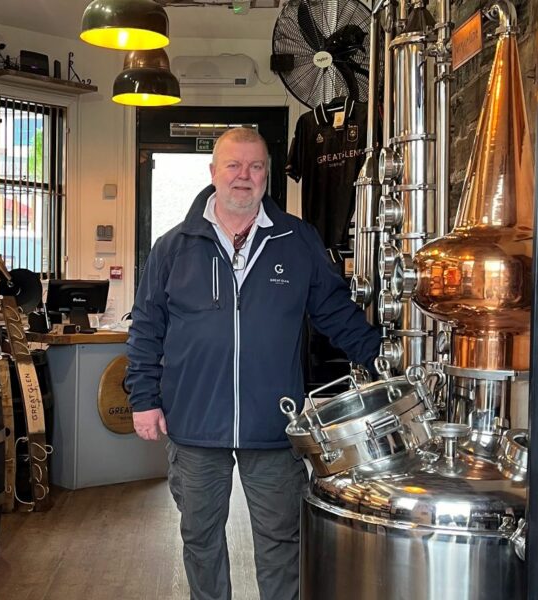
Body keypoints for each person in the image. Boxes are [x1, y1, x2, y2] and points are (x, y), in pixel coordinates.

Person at [125, 127, 381, 600]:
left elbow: (336, 315)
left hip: (276, 424)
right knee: (201, 539)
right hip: (194, 423)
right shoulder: (173, 247)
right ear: (213, 172)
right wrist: (143, 398)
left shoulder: (297, 240)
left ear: (267, 175)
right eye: (234, 165)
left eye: (255, 166)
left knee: (281, 540)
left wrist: (384, 358)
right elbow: (146, 328)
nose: (244, 176)